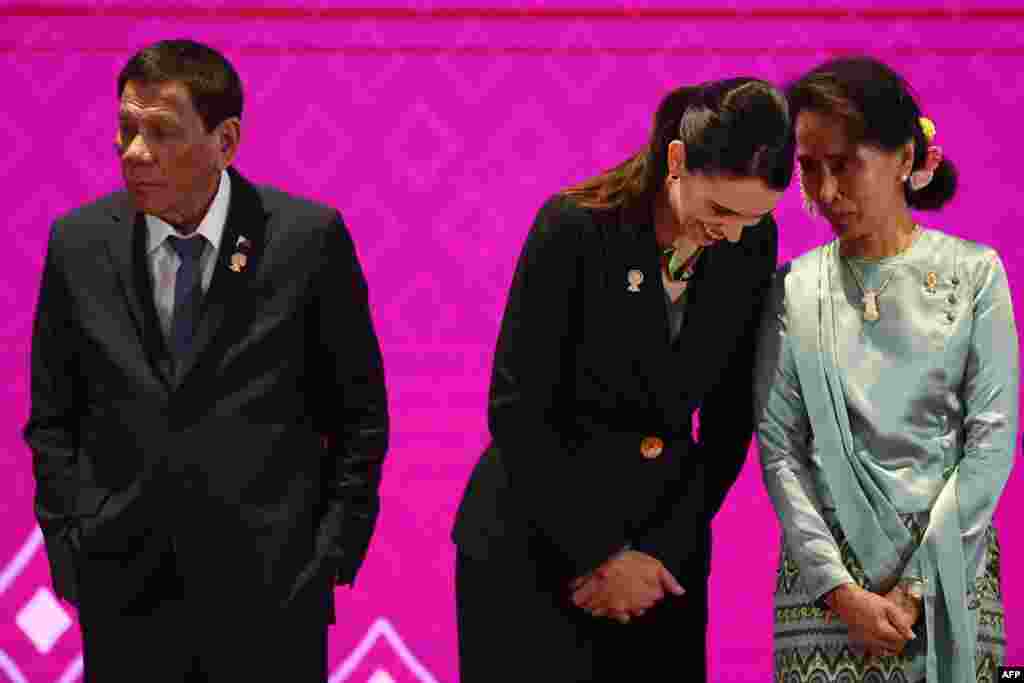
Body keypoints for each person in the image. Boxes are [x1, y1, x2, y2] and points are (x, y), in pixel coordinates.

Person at [23, 39, 389, 682]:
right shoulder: (77, 244)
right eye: (126, 129)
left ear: (226, 141)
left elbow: (359, 417)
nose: (133, 153)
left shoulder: (307, 240)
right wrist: (70, 543)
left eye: (161, 132)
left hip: (272, 594)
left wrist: (330, 554)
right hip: (125, 591)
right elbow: (54, 417)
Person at [452, 77, 794, 681]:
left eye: (752, 217)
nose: (733, 232)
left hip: (661, 560)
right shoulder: (575, 228)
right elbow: (518, 408)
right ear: (677, 161)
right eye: (720, 210)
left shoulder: (749, 243)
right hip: (539, 540)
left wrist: (660, 550)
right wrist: (600, 553)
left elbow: (730, 417)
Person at [756, 56, 1016, 683]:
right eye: (809, 169)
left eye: (843, 166)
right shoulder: (793, 288)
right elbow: (780, 447)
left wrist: (917, 586)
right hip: (824, 594)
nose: (824, 194)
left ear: (904, 157)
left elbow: (991, 439)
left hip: (950, 570)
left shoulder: (975, 274)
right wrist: (839, 591)